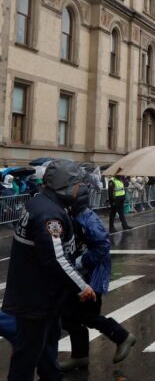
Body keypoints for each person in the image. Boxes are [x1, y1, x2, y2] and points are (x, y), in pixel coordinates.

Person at [3, 159, 96, 381]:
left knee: (45, 350)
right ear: (65, 185)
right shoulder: (49, 215)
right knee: (28, 356)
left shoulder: (43, 203)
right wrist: (82, 287)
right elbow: (57, 259)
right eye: (76, 184)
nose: (79, 189)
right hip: (35, 301)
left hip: (42, 299)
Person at [59, 185, 136, 371]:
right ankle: (80, 356)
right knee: (69, 317)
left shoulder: (88, 219)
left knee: (86, 316)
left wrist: (81, 261)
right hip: (82, 277)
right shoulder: (75, 216)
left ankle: (121, 336)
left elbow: (102, 246)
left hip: (92, 278)